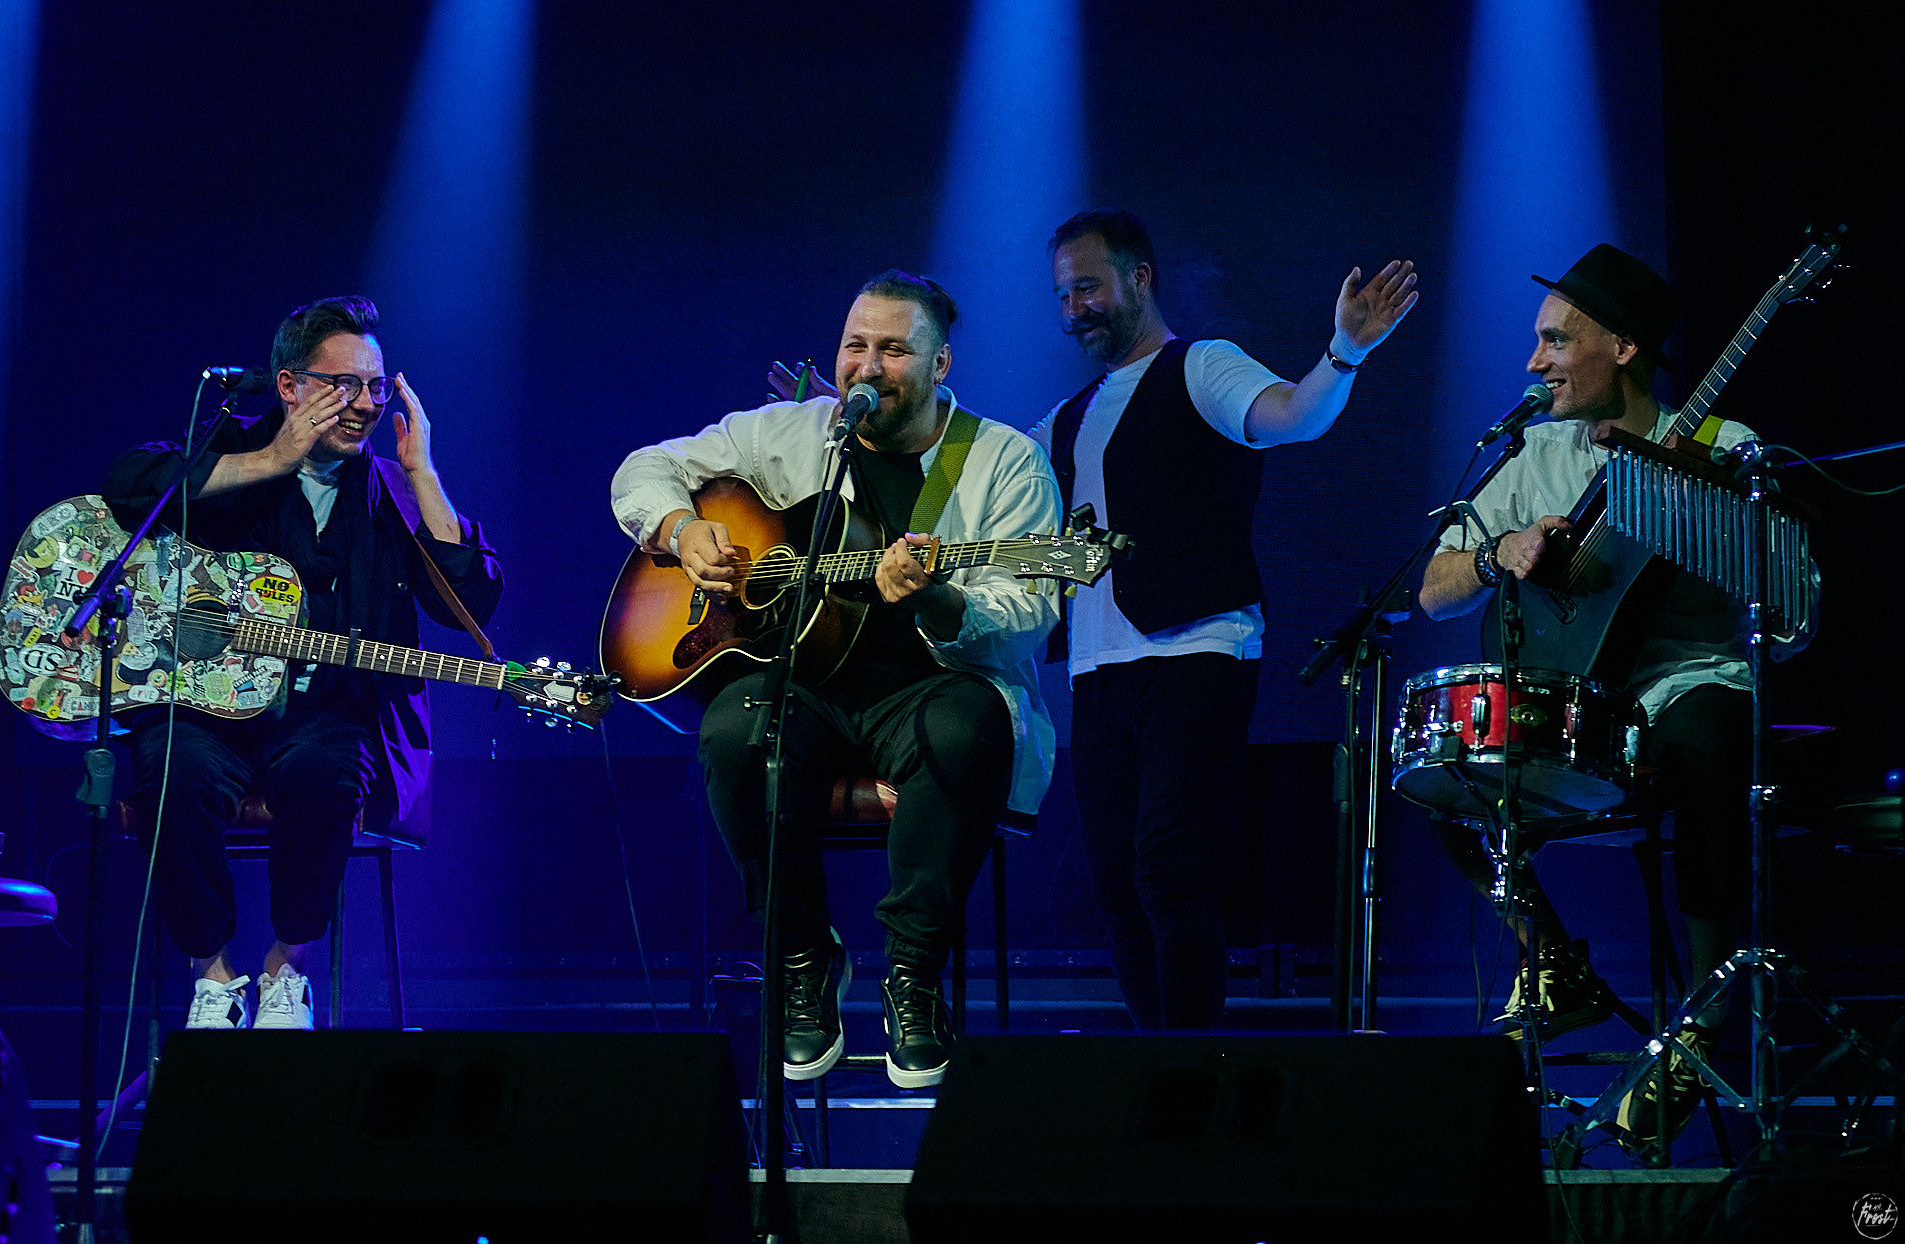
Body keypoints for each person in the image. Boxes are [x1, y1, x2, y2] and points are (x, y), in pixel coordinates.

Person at [611, 270, 1059, 1088]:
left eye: (894, 350)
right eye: (856, 346)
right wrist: (680, 530)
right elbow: (643, 468)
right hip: (804, 685)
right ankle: (801, 955)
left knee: (965, 728)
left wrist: (940, 597)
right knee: (734, 734)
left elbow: (1030, 610)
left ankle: (913, 975)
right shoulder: (786, 433)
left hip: (930, 685)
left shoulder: (1004, 461)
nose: (867, 366)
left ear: (941, 365)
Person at [1417, 243, 1809, 1148]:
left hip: (1686, 688)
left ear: (1624, 348)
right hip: (1580, 706)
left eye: (1556, 341)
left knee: (1709, 733)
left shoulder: (1724, 447)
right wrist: (1498, 552)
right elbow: (1431, 591)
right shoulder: (1536, 453)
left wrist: (1712, 519)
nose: (1534, 363)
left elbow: (1794, 607)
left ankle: (1707, 1015)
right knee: (1442, 756)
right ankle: (1553, 962)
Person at [1031, 209, 1419, 1030]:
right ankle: (1164, 1060)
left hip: (1196, 651)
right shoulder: (1065, 418)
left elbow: (1294, 416)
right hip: (1097, 671)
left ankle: (1190, 1065)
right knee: (1116, 887)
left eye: (1088, 288)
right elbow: (986, 496)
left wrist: (1344, 352)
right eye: (1063, 296)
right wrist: (878, 441)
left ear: (1140, 278)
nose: (1075, 310)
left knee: (1169, 871)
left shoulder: (1201, 366)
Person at [104, 295, 501, 1030]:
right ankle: (212, 977)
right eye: (344, 385)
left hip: (325, 719)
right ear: (289, 385)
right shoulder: (229, 448)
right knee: (173, 766)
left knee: (327, 768)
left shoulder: (391, 492)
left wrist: (422, 473)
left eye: (376, 387)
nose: (366, 405)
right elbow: (127, 482)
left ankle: (288, 968)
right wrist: (271, 461)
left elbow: (470, 604)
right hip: (207, 717)